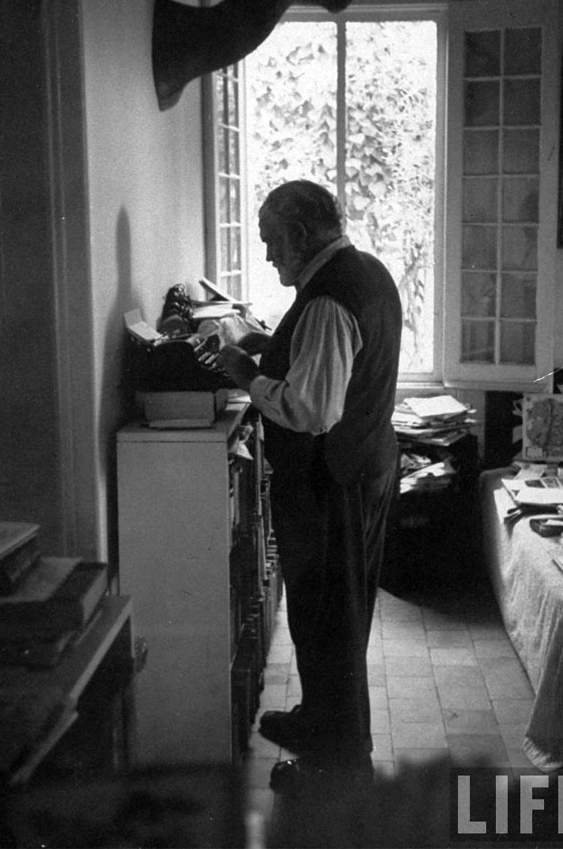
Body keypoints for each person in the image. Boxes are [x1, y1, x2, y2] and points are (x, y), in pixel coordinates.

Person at [219, 180, 402, 795]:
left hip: (334, 481)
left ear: (300, 235)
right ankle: (320, 724)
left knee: (329, 623)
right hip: (362, 468)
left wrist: (249, 375)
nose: (270, 256)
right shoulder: (366, 272)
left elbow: (311, 409)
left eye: (273, 242)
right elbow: (328, 372)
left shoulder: (327, 300)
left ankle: (339, 766)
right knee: (332, 617)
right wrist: (272, 349)